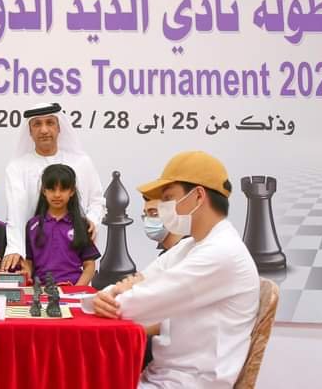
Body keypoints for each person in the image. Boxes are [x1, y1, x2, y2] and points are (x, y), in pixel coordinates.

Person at [86, 151, 260, 389]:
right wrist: (109, 295)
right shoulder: (191, 246)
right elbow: (140, 281)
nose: (163, 207)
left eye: (168, 198)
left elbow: (134, 304)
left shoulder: (221, 253)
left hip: (190, 383)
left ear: (198, 196)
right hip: (162, 376)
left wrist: (108, 298)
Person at [3, 102, 105, 271]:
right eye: (37, 124)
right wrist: (15, 248)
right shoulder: (17, 167)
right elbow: (15, 214)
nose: (44, 130)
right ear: (30, 131)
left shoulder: (81, 162)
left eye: (50, 123)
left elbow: (97, 200)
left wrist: (91, 221)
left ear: (59, 127)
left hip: (75, 254)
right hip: (35, 254)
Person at [25, 164, 100, 285]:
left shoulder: (81, 224)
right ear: (44, 191)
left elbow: (89, 265)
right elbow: (28, 261)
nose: (57, 195)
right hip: (40, 290)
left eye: (63, 189)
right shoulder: (32, 225)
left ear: (72, 191)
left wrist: (75, 290)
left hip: (73, 289)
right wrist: (27, 280)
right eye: (52, 189)